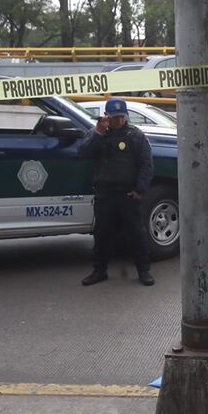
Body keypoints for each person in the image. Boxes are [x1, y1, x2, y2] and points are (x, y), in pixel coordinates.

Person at [78, 98, 155, 286]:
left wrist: (140, 189)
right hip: (105, 194)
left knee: (137, 233)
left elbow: (146, 164)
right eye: (115, 117)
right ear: (107, 116)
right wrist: (98, 132)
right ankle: (99, 271)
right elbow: (83, 153)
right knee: (102, 234)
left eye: (122, 117)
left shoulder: (136, 136)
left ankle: (143, 271)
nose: (119, 121)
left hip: (129, 194)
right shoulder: (98, 134)